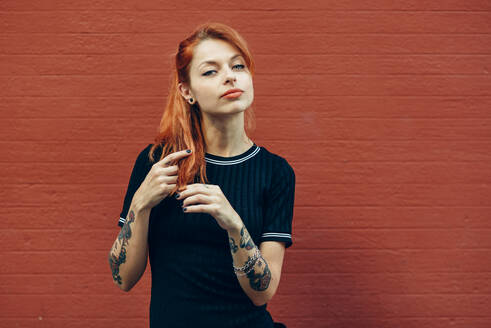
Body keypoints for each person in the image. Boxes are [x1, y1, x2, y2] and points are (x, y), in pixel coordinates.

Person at [108, 22, 295, 328]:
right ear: (187, 91)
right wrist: (140, 205)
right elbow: (123, 278)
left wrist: (234, 224)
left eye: (238, 66)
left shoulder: (275, 172)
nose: (230, 76)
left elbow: (262, 294)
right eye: (210, 71)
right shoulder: (159, 163)